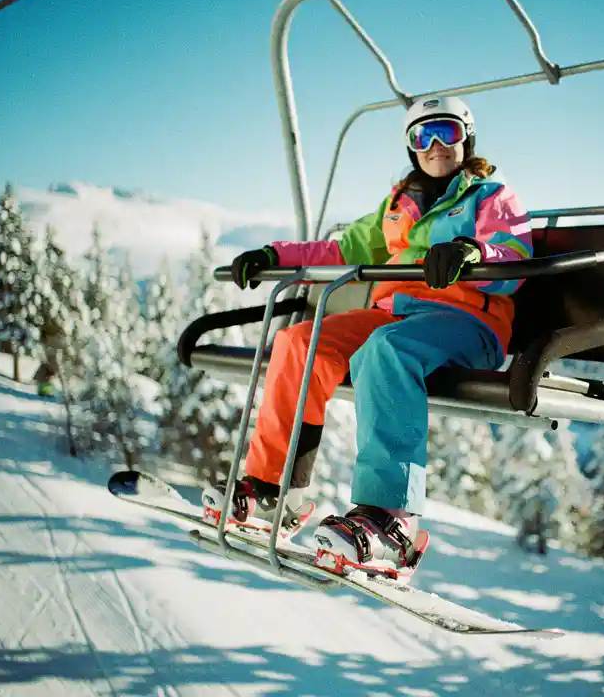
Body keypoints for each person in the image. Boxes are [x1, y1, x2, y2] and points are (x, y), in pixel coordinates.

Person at [212, 96, 532, 579]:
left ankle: (392, 523)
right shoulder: (398, 205)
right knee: (299, 342)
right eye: (423, 137)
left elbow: (513, 250)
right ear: (410, 147)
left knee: (384, 351)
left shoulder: (490, 195)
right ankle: (273, 489)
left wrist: (470, 252)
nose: (436, 146)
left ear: (467, 137)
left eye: (447, 132)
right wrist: (273, 254)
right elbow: (340, 248)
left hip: (467, 321)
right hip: (395, 315)